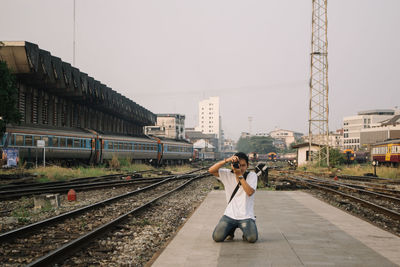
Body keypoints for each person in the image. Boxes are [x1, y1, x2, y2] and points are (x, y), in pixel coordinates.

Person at [208, 152, 258, 243]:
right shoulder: (227, 174)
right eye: (238, 165)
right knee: (217, 237)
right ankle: (230, 230)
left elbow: (250, 192)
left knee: (252, 239)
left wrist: (239, 175)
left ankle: (248, 227)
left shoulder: (252, 176)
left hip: (246, 216)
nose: (241, 168)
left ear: (248, 165)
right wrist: (226, 160)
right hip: (230, 215)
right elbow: (211, 170)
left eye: (243, 165)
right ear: (232, 165)